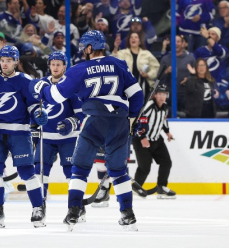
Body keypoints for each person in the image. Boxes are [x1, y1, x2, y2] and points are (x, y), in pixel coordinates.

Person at [30, 30, 144, 231]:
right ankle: (128, 214)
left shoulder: (79, 69)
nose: (83, 51)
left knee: (80, 169)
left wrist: (42, 89)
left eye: (85, 48)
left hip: (95, 120)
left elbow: (56, 96)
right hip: (119, 121)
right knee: (118, 172)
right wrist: (132, 119)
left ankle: (73, 212)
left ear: (90, 48)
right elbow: (137, 95)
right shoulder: (119, 64)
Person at [0, 45, 47, 229]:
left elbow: (33, 105)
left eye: (9, 60)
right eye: (2, 60)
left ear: (16, 61)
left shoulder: (25, 81)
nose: (5, 63)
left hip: (20, 131)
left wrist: (38, 114)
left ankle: (38, 207)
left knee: (26, 172)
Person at [33, 51, 84, 203]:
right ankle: (39, 204)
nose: (55, 68)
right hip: (46, 137)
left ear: (64, 66)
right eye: (53, 64)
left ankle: (76, 206)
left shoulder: (71, 85)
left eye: (58, 65)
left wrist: (72, 122)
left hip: (68, 137)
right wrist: (35, 123)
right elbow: (33, 108)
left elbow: (81, 113)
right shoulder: (42, 84)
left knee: (71, 170)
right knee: (40, 170)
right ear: (49, 65)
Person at [132, 84, 176, 199]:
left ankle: (161, 187)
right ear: (155, 95)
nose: (162, 97)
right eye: (160, 94)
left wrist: (167, 132)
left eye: (164, 94)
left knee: (166, 162)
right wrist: (142, 137)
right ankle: (136, 187)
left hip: (157, 140)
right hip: (141, 140)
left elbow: (163, 120)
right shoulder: (149, 106)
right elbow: (139, 120)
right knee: (144, 167)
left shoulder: (165, 107)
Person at [112, 32, 160, 101]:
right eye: (131, 37)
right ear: (129, 41)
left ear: (140, 41)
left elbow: (156, 67)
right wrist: (116, 47)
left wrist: (148, 74)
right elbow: (113, 61)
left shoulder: (146, 54)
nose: (133, 39)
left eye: (136, 37)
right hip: (127, 86)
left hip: (143, 87)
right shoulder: (122, 53)